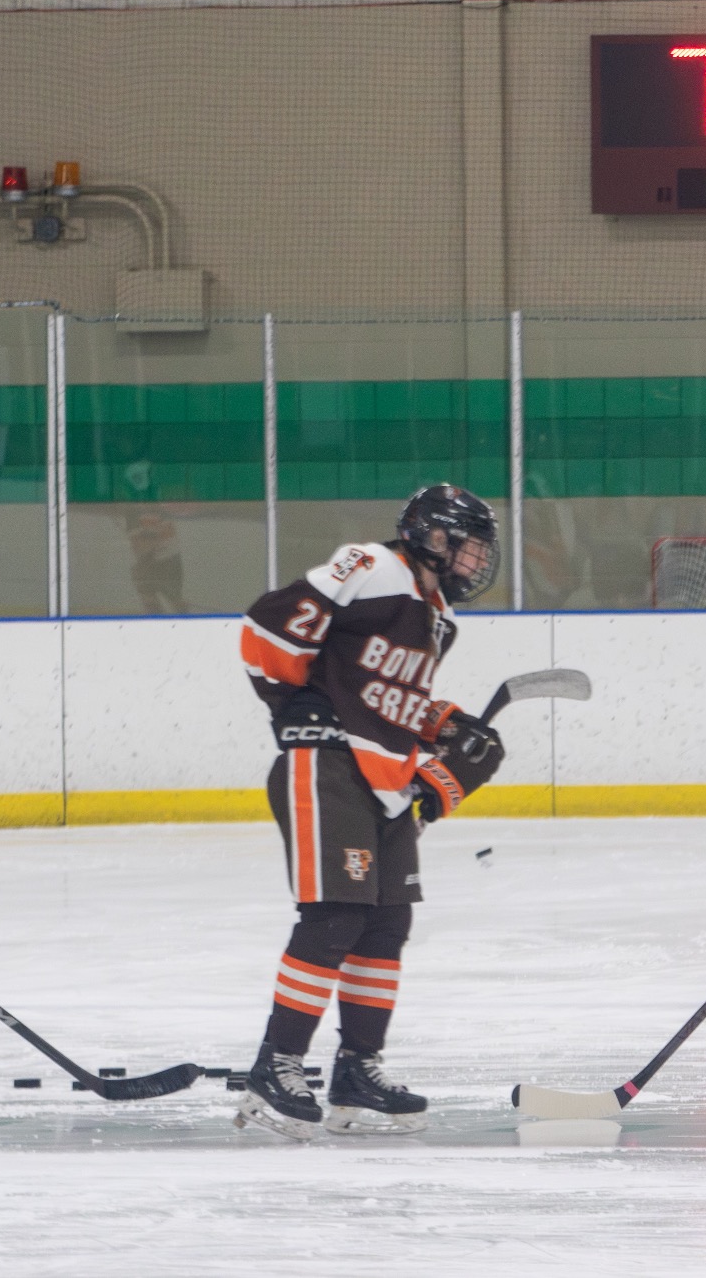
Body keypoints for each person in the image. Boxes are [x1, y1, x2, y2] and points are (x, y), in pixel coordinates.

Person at [233, 484, 507, 1139]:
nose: (477, 562)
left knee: (386, 922)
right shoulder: (373, 566)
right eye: (469, 547)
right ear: (433, 537)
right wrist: (293, 701)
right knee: (334, 916)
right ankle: (277, 1064)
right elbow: (267, 628)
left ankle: (357, 1069)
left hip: (385, 778)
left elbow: (382, 692)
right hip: (328, 764)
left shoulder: (435, 616)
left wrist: (446, 726)